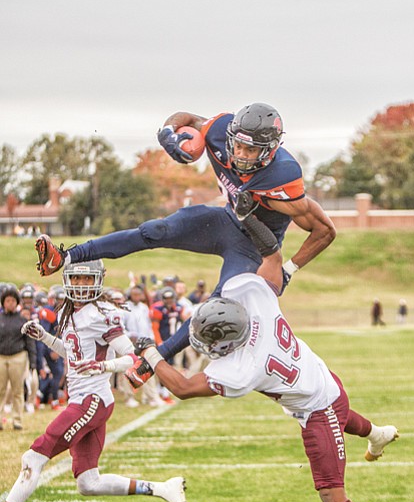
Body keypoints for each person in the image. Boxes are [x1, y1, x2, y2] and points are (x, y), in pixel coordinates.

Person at [126, 273, 398, 502]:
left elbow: (184, 388)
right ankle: (376, 434)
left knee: (331, 492)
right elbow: (272, 259)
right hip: (321, 377)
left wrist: (150, 352)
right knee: (340, 412)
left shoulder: (241, 369)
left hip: (317, 406)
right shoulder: (259, 303)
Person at [34, 102, 336, 365]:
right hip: (224, 221)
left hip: (253, 246)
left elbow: (324, 230)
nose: (241, 154)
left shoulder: (283, 177)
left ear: (270, 150)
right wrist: (167, 132)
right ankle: (65, 256)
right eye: (238, 145)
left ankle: (154, 359)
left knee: (218, 306)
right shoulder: (220, 130)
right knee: (157, 230)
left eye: (250, 149)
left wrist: (288, 269)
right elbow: (187, 118)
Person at [0, 260, 187, 502]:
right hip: (86, 399)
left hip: (91, 399)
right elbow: (74, 354)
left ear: (98, 281)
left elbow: (130, 357)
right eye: (76, 279)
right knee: (88, 483)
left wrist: (104, 366)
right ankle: (165, 489)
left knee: (34, 457)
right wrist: (45, 338)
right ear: (68, 281)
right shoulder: (68, 312)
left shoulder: (103, 313)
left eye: (88, 280)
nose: (81, 285)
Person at [0, 286, 37, 430]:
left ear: (17, 302)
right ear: (3, 302)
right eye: (7, 300)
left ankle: (17, 420)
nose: (10, 303)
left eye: (12, 300)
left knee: (17, 390)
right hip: (1, 357)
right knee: (1, 389)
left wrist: (33, 362)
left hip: (18, 356)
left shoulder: (22, 320)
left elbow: (30, 342)